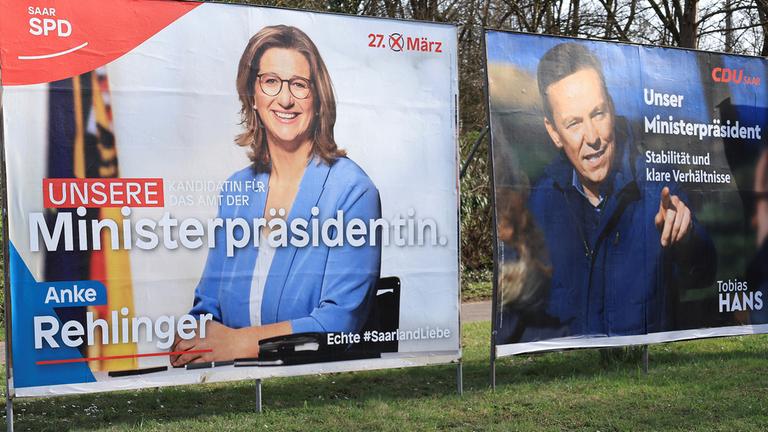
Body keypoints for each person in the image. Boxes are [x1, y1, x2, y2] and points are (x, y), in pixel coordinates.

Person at [171, 25, 381, 365]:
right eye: (270, 81)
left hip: (311, 389)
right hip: (232, 384)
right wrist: (193, 338)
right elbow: (207, 303)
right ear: (252, 95)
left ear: (318, 97)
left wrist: (238, 344)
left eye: (299, 85)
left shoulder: (353, 192)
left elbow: (339, 323)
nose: (285, 99)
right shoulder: (237, 189)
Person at [504, 43, 716, 340]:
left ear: (612, 107)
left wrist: (687, 236)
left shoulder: (658, 187)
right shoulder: (537, 206)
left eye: (598, 114)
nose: (592, 137)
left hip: (641, 378)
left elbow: (704, 271)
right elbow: (517, 318)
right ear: (554, 133)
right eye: (574, 123)